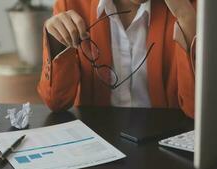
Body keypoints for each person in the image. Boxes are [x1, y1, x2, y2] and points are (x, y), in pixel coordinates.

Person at [38, 0, 196, 118]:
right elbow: (57, 102)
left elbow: (196, 109)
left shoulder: (191, 8)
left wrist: (185, 15)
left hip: (165, 144)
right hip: (98, 141)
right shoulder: (73, 3)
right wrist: (56, 39)